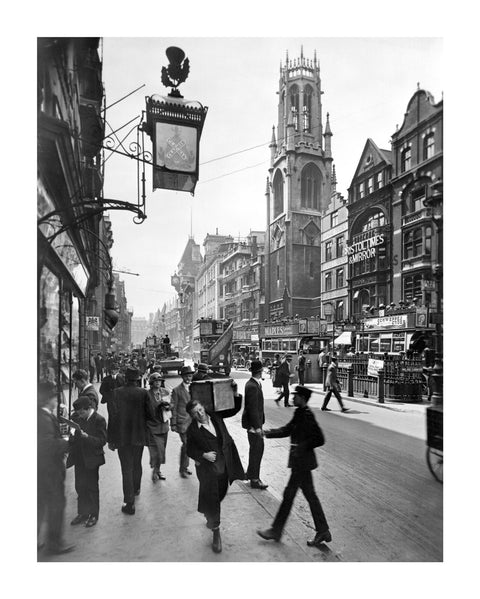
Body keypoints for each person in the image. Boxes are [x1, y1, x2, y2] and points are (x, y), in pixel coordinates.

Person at [257, 385, 332, 548]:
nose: (293, 397)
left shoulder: (307, 415)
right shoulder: (299, 413)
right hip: (300, 463)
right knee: (308, 496)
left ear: (303, 398)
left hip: (302, 463)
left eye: (296, 395)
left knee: (290, 495)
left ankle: (276, 530)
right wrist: (267, 433)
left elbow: (320, 439)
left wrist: (302, 446)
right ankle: (323, 530)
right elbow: (287, 430)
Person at [186, 395, 245, 553]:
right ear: (192, 416)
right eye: (195, 413)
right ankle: (216, 532)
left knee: (220, 493)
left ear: (203, 407)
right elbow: (189, 449)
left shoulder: (216, 415)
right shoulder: (192, 430)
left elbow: (233, 409)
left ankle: (209, 511)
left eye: (200, 409)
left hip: (224, 464)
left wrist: (236, 394)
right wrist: (203, 455)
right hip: (208, 469)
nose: (200, 414)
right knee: (213, 498)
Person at [107, 367, 153, 515]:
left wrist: (111, 440)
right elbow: (151, 415)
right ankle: (136, 488)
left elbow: (112, 418)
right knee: (137, 463)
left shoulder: (116, 393)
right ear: (137, 379)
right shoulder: (144, 393)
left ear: (125, 379)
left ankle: (129, 503)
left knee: (126, 468)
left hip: (122, 438)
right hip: (139, 436)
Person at [37, 381, 74, 555]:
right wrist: (66, 441)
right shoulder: (44, 418)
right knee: (56, 505)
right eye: (54, 397)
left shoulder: (42, 415)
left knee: (40, 504)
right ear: (48, 399)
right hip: (49, 470)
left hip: (42, 469)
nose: (56, 400)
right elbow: (46, 445)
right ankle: (54, 543)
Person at [67, 396, 107, 528]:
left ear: (88, 409)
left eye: (81, 412)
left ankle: (94, 514)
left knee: (92, 487)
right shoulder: (78, 419)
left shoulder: (99, 420)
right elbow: (74, 437)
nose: (79, 415)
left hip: (92, 459)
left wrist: (87, 437)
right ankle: (83, 512)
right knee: (80, 486)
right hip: (79, 458)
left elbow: (102, 441)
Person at [241, 359, 268, 490]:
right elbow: (253, 409)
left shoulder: (252, 384)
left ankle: (250, 474)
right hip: (254, 426)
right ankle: (255, 480)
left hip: (254, 425)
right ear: (260, 371)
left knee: (255, 451)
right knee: (257, 451)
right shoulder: (252, 386)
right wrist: (257, 427)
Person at [146, 372, 171, 482]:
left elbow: (171, 405)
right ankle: (155, 470)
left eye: (159, 381)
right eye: (155, 381)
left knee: (162, 451)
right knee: (156, 451)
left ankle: (157, 469)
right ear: (151, 382)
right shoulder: (147, 395)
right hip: (152, 427)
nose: (158, 383)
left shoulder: (165, 392)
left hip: (164, 426)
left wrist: (168, 406)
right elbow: (145, 410)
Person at [170, 365, 194, 478]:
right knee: (186, 445)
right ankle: (182, 469)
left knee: (189, 445)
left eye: (190, 376)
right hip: (182, 422)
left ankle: (185, 466)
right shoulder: (176, 391)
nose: (188, 378)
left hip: (193, 422)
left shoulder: (194, 388)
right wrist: (173, 423)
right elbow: (173, 408)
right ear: (182, 377)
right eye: (186, 376)